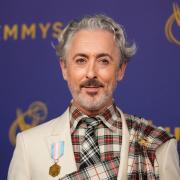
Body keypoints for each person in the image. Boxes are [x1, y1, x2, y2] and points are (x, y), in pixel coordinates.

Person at [8, 14, 180, 180]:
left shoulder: (158, 145)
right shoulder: (29, 145)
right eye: (81, 60)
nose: (91, 73)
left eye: (103, 61)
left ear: (120, 69)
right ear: (64, 68)